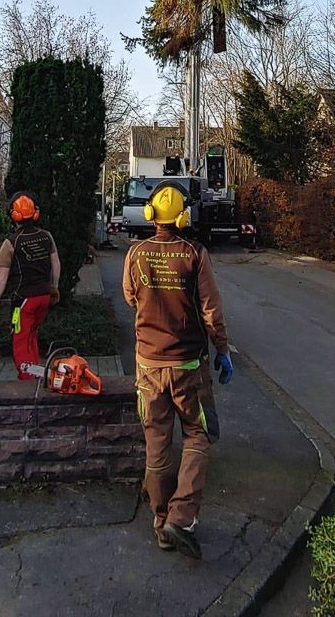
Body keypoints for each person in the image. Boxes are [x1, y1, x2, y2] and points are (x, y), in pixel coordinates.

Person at [122, 181, 233, 560]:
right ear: (184, 217)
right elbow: (211, 311)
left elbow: (129, 296)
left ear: (151, 214)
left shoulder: (135, 254)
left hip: (148, 366)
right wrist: (222, 349)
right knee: (198, 436)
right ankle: (181, 517)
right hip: (188, 366)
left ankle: (160, 523)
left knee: (157, 444)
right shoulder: (195, 254)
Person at [0, 191, 61, 381]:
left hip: (23, 301)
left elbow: (2, 277)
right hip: (43, 297)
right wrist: (54, 287)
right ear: (35, 213)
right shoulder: (47, 236)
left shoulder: (11, 243)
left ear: (14, 215)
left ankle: (28, 380)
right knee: (31, 334)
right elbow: (56, 264)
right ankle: (37, 373)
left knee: (20, 339)